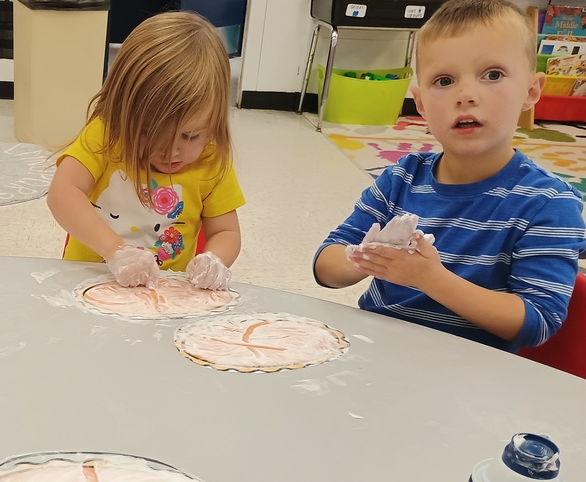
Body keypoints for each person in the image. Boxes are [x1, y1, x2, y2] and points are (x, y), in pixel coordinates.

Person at [312, 0, 586, 352]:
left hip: (473, 378)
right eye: (444, 80)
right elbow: (325, 264)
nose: (466, 96)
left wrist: (431, 279)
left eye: (493, 75)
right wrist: (365, 256)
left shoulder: (549, 204)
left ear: (531, 92)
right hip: (378, 353)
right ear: (421, 104)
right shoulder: (401, 178)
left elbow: (537, 322)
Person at [46, 11, 244, 291]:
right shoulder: (108, 135)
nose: (172, 152)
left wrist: (215, 260)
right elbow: (62, 194)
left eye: (190, 136)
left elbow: (226, 231)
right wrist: (116, 252)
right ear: (122, 111)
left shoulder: (212, 158)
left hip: (165, 296)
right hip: (88, 285)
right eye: (150, 134)